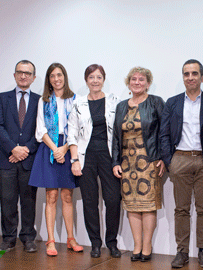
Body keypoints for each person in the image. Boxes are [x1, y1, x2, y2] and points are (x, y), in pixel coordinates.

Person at [160, 59, 203, 268]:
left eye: (194, 73)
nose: (190, 77)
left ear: (202, 76)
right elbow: (164, 133)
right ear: (183, 77)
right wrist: (169, 161)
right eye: (186, 74)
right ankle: (181, 252)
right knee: (181, 209)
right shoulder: (172, 102)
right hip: (179, 159)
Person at [67, 64, 122, 258]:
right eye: (91, 77)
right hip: (86, 157)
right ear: (86, 81)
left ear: (103, 79)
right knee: (90, 202)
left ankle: (112, 242)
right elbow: (71, 134)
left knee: (113, 200)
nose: (95, 81)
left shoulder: (114, 101)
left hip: (109, 157)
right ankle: (95, 243)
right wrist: (74, 160)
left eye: (99, 77)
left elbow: (120, 132)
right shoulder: (78, 103)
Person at [28, 63, 82, 256]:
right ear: (48, 80)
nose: (56, 79)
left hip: (69, 147)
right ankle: (50, 240)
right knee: (51, 196)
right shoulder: (44, 100)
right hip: (49, 146)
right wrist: (55, 149)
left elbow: (77, 128)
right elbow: (40, 129)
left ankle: (70, 238)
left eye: (59, 75)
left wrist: (65, 148)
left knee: (67, 196)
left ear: (64, 77)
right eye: (52, 76)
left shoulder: (75, 99)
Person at [112, 67, 165, 263]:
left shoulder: (156, 102)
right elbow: (116, 138)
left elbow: (163, 132)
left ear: (148, 83)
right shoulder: (121, 107)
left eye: (141, 79)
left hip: (149, 160)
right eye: (133, 79)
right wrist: (115, 162)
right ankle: (136, 246)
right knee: (132, 206)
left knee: (148, 205)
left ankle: (147, 246)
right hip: (127, 163)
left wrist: (162, 157)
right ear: (128, 83)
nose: (137, 82)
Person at [0, 60, 40, 253]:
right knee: (7, 200)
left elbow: (41, 130)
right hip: (6, 158)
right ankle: (9, 238)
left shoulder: (40, 100)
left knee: (28, 201)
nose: (23, 76)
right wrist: (13, 149)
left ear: (33, 77)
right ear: (14, 75)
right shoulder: (2, 98)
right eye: (20, 72)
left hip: (29, 160)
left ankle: (28, 238)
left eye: (28, 73)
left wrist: (25, 150)